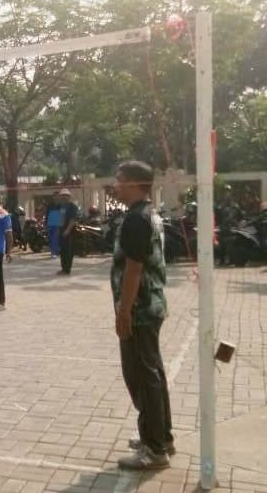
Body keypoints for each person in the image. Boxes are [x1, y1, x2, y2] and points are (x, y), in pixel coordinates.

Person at [110, 161, 173, 470]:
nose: (115, 185)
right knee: (153, 374)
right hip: (151, 306)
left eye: (119, 180)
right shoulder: (150, 214)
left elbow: (134, 269)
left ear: (135, 183)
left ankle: (154, 449)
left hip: (140, 310)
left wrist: (124, 312)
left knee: (141, 377)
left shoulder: (137, 219)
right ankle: (161, 436)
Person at [57, 189, 80, 275]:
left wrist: (67, 230)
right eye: (62, 196)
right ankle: (63, 268)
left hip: (69, 232)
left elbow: (72, 219)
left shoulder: (72, 207)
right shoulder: (59, 206)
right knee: (62, 250)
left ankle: (67, 269)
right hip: (60, 231)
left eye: (66, 196)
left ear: (69, 197)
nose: (64, 198)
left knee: (68, 251)